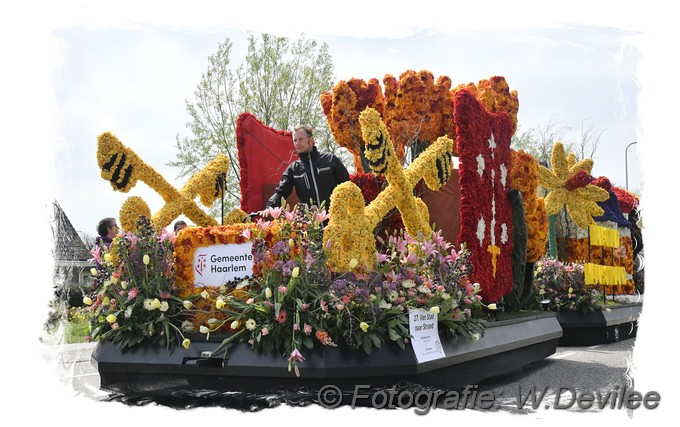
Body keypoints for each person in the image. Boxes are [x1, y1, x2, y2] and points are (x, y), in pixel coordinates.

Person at [264, 125, 349, 214]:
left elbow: (347, 186)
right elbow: (281, 192)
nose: (297, 143)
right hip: (311, 223)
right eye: (295, 140)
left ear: (311, 140)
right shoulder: (293, 169)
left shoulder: (330, 160)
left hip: (335, 219)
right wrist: (269, 207)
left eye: (301, 139)